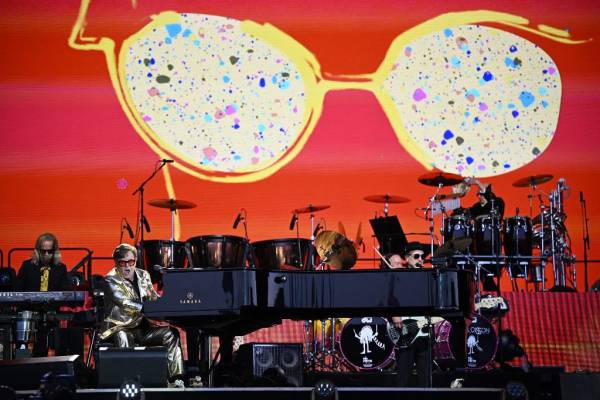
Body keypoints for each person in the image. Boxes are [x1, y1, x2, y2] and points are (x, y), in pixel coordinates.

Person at [99, 243, 185, 388]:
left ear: (136, 260)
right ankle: (128, 381)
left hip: (143, 327)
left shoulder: (144, 275)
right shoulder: (110, 279)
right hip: (121, 327)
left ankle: (175, 379)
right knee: (123, 336)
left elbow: (153, 297)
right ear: (116, 263)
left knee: (171, 333)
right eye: (123, 263)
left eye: (131, 262)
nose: (127, 266)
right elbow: (124, 302)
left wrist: (170, 304)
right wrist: (146, 308)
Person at [391, 242, 442, 387]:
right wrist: (396, 316)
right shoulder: (400, 277)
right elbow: (391, 298)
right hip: (406, 331)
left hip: (424, 333)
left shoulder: (428, 277)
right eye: (417, 256)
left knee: (425, 378)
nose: (421, 259)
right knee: (403, 377)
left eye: (422, 257)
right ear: (407, 259)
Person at [15, 233, 72, 357]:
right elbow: (17, 289)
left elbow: (65, 291)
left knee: (44, 341)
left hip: (49, 311)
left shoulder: (60, 268)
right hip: (28, 309)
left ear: (55, 250)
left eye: (49, 251)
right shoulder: (27, 266)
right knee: (21, 342)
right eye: (43, 251)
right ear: (38, 250)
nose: (46, 254)